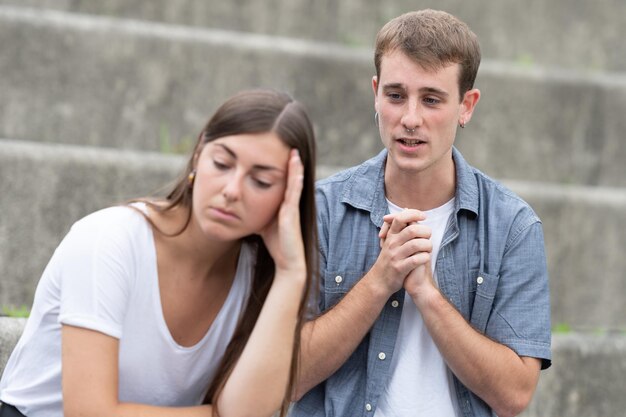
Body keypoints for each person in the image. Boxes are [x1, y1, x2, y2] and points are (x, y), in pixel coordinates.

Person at [291, 9, 551, 417]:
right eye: (396, 96)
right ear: (375, 93)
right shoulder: (321, 210)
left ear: (467, 106)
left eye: (431, 100)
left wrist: (426, 294)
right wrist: (380, 280)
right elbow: (285, 376)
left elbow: (514, 395)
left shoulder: (512, 226)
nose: (410, 119)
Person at [0, 89, 318, 417]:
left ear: (289, 195)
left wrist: (291, 272)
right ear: (198, 154)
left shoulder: (260, 277)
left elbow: (249, 411)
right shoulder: (108, 240)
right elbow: (89, 412)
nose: (231, 190)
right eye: (222, 163)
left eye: (262, 181)